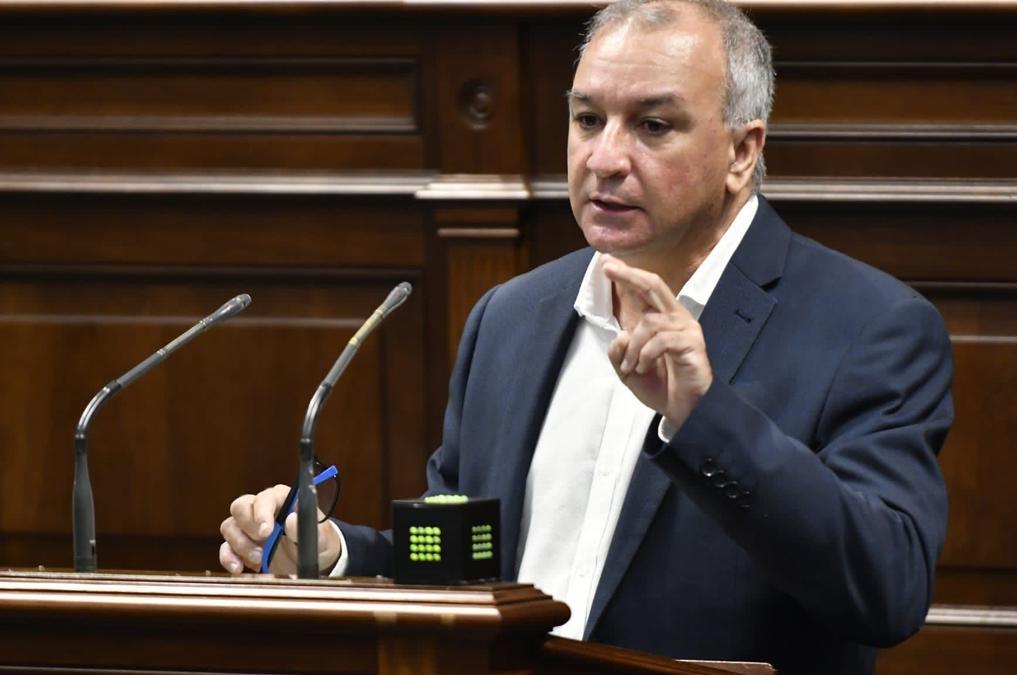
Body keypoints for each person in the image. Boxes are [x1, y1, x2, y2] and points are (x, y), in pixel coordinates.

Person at [219, 1, 953, 672]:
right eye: (587, 119)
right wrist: (332, 554)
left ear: (742, 151)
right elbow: (463, 565)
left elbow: (886, 588)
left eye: (653, 125)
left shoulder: (868, 327)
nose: (604, 158)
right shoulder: (513, 316)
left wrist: (704, 419)